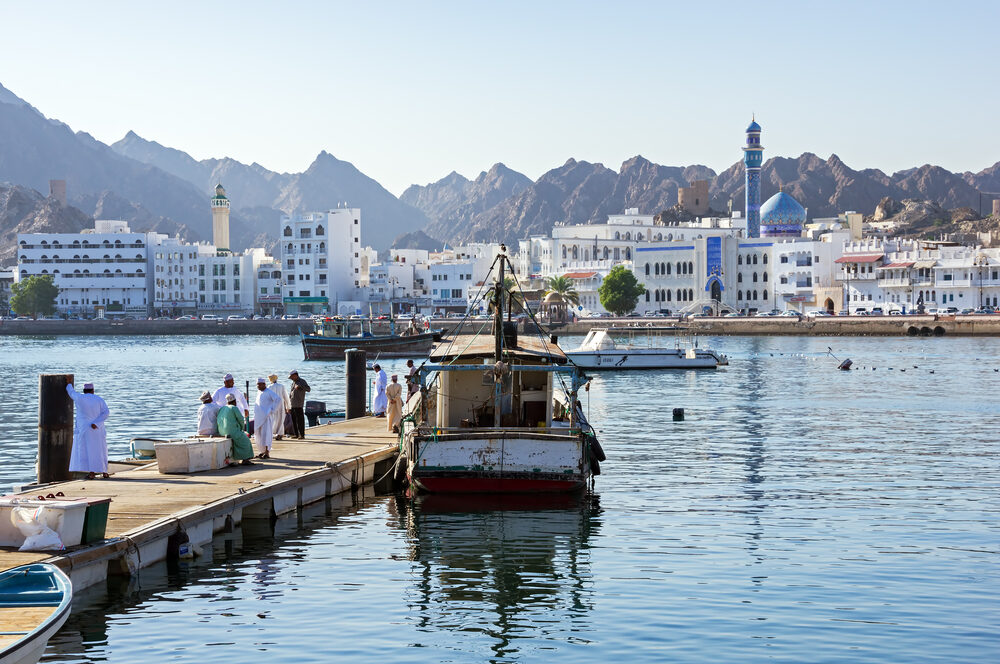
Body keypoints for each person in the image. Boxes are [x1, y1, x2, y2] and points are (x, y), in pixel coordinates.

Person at [66, 382, 110, 479]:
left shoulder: (80, 398)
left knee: (89, 451)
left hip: (85, 429)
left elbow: (71, 392)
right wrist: (97, 423)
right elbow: (106, 413)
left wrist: (68, 383)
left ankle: (92, 473)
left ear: (84, 391)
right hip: (98, 429)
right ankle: (105, 472)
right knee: (101, 450)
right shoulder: (99, 399)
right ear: (93, 390)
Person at [216, 394, 254, 465]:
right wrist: (241, 428)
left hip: (221, 432)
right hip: (232, 432)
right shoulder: (234, 408)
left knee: (238, 439)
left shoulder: (222, 408)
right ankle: (245, 459)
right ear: (235, 401)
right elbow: (241, 419)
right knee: (246, 441)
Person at [253, 377, 280, 459]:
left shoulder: (269, 392)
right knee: (258, 435)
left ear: (264, 384)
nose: (258, 386)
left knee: (266, 435)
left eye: (259, 384)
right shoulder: (259, 392)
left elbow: (278, 399)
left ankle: (267, 452)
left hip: (266, 418)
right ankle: (262, 451)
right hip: (258, 418)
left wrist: (272, 410)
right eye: (257, 384)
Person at [288, 370, 310, 439]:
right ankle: (296, 434)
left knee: (300, 421)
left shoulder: (302, 381)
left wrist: (300, 387)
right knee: (293, 420)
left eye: (292, 377)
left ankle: (302, 435)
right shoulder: (293, 383)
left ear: (295, 375)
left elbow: (308, 389)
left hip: (298, 404)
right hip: (292, 404)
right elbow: (291, 394)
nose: (291, 378)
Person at [268, 374, 291, 440]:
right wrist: (288, 406)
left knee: (273, 419)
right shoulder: (281, 386)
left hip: (272, 406)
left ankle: (273, 433)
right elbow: (286, 397)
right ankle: (280, 434)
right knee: (281, 419)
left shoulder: (269, 387)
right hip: (280, 406)